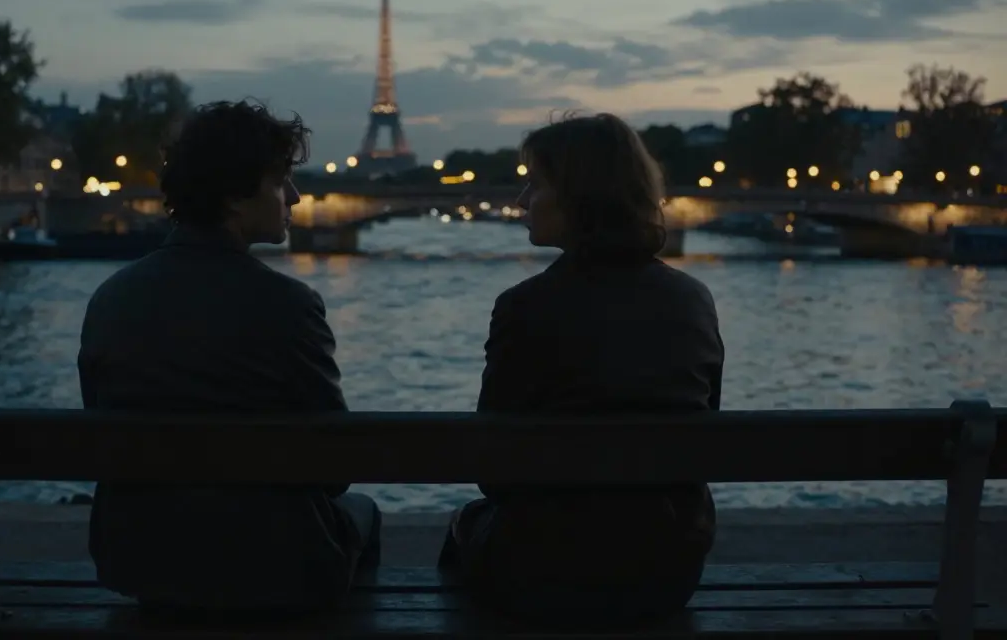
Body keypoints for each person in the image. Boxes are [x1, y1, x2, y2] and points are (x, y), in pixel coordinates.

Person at [77, 100, 381, 616]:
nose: (295, 196)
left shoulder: (111, 297)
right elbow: (335, 466)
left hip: (138, 558)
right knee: (362, 514)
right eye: (281, 180)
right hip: (272, 562)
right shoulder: (289, 305)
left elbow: (100, 425)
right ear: (237, 198)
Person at [439, 112, 724, 624]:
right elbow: (702, 431)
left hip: (550, 567)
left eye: (535, 184)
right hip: (668, 569)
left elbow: (493, 468)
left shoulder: (525, 306)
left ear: (578, 199)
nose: (521, 200)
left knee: (464, 529)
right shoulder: (693, 299)